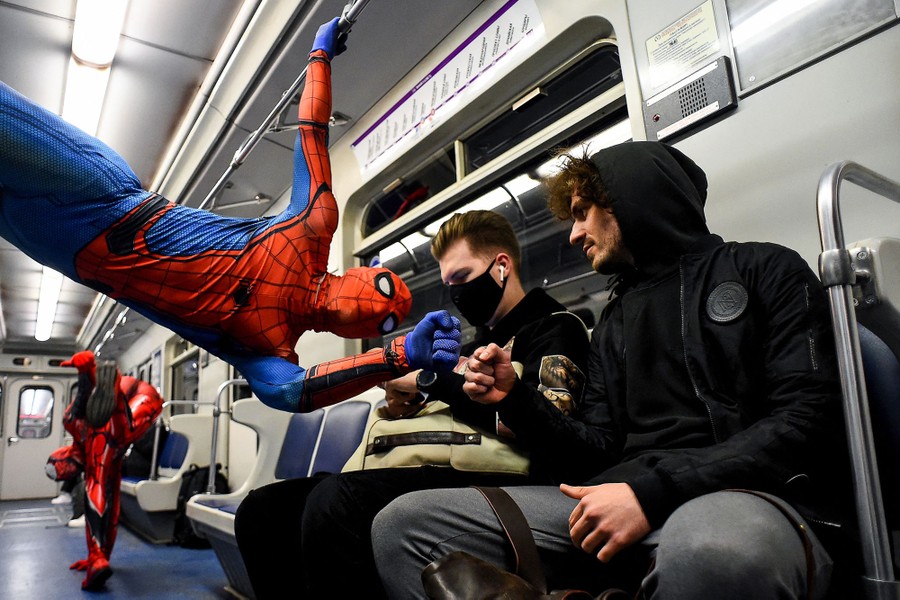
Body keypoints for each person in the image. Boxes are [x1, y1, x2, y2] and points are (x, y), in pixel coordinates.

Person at [371, 141, 853, 599]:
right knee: (405, 527)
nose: (574, 234)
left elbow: (807, 419)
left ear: (629, 198)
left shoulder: (765, 269)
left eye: (582, 213)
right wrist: (514, 398)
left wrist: (651, 492)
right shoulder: (615, 321)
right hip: (623, 489)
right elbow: (594, 449)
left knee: (712, 553)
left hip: (743, 490)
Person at [0, 18, 458, 414]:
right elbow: (311, 134)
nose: (379, 307)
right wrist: (319, 57)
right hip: (108, 199)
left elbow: (288, 393)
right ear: (365, 272)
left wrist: (395, 357)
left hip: (63, 251)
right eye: (386, 289)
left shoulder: (270, 347)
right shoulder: (311, 229)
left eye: (384, 321)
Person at [234, 210, 593, 598]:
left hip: (504, 474)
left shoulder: (555, 327)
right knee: (264, 509)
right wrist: (405, 399)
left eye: (462, 277)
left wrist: (429, 381)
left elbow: (552, 423)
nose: (456, 294)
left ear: (502, 266)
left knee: (336, 503)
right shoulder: (473, 343)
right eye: (448, 284)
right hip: (441, 461)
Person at [45, 350, 164, 591]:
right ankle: (100, 556)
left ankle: (97, 555)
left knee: (96, 480)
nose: (67, 470)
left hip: (134, 398)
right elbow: (111, 504)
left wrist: (85, 375)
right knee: (110, 486)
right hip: (140, 400)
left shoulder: (75, 426)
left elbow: (82, 400)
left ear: (64, 455)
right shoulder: (76, 428)